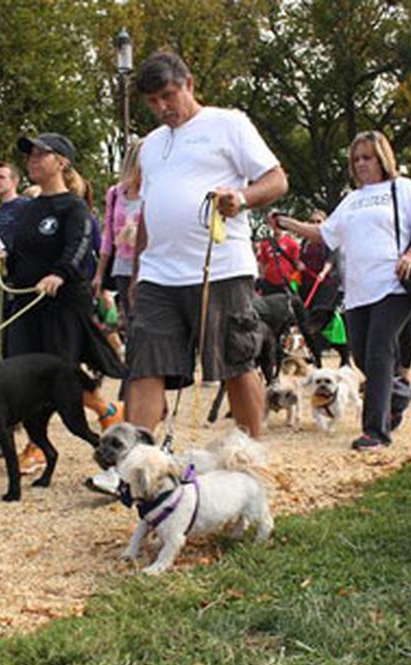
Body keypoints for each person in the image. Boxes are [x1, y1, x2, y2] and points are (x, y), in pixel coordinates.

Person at [126, 51, 288, 438]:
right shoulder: (150, 145)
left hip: (221, 268)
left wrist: (242, 198)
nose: (162, 108)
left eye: (168, 96)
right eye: (152, 101)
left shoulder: (228, 124)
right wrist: (137, 271)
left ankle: (250, 453)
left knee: (236, 361)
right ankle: (133, 459)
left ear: (189, 84)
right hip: (158, 275)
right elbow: (149, 209)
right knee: (144, 365)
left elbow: (277, 180)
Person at [277, 131, 411, 450]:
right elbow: (324, 234)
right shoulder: (351, 200)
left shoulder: (403, 189)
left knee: (379, 352)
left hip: (394, 285)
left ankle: (375, 432)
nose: (361, 164)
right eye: (356, 159)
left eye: (368, 157)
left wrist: (410, 256)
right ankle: (399, 395)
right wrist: (287, 223)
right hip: (356, 289)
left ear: (383, 158)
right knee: (363, 357)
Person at [5, 132, 125, 470]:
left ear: (61, 162)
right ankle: (96, 414)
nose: (32, 161)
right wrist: (5, 263)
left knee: (56, 373)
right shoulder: (29, 208)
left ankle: (41, 442)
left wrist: (60, 273)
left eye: (40, 154)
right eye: (30, 155)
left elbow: (79, 244)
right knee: (23, 372)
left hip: (63, 304)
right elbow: (21, 250)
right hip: (28, 303)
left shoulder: (73, 206)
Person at [93, 138, 142, 322]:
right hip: (122, 265)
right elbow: (108, 236)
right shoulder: (115, 193)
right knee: (130, 320)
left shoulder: (154, 191)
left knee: (147, 321)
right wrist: (99, 274)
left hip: (147, 265)